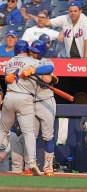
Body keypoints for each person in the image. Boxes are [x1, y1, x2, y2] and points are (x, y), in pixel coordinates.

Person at [0, 40, 42, 176]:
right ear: (27, 50)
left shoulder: (9, 62)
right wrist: (33, 70)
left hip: (9, 96)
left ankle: (31, 162)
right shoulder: (33, 61)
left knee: (2, 130)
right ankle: (31, 161)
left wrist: (7, 79)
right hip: (25, 98)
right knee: (29, 131)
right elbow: (49, 69)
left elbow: (8, 78)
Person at [27, 40, 57, 176]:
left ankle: (48, 166)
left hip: (46, 101)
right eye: (31, 51)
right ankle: (30, 164)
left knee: (48, 136)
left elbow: (49, 71)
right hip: (31, 102)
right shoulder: (26, 61)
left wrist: (34, 72)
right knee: (31, 135)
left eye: (35, 52)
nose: (32, 53)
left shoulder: (47, 61)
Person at [0, 88, 11, 172]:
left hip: (2, 153)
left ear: (2, 101)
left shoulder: (6, 116)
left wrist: (5, 153)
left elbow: (12, 138)